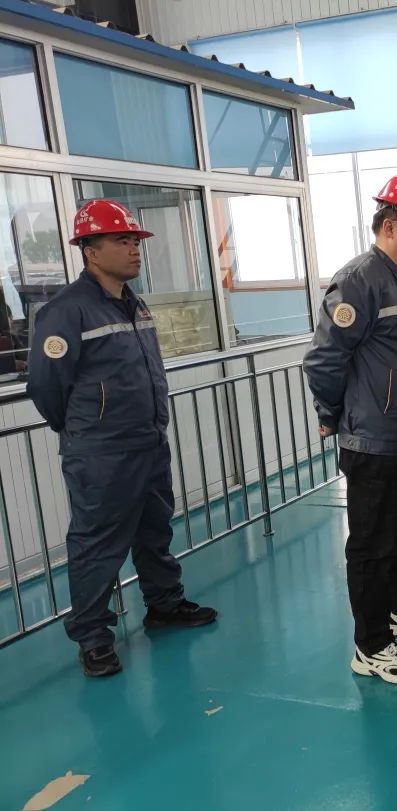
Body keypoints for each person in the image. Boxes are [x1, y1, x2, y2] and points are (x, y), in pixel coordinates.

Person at [26, 200, 217, 678]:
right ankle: (93, 637)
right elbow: (47, 388)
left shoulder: (135, 303)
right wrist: (85, 429)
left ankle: (165, 604)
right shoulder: (65, 312)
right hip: (101, 453)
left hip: (148, 442)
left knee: (155, 531)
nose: (134, 249)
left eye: (135, 241)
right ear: (90, 250)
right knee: (96, 545)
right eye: (122, 241)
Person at [304, 172, 397, 685]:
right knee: (373, 544)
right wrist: (332, 414)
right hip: (376, 440)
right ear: (390, 226)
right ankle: (370, 645)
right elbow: (324, 360)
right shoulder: (360, 280)